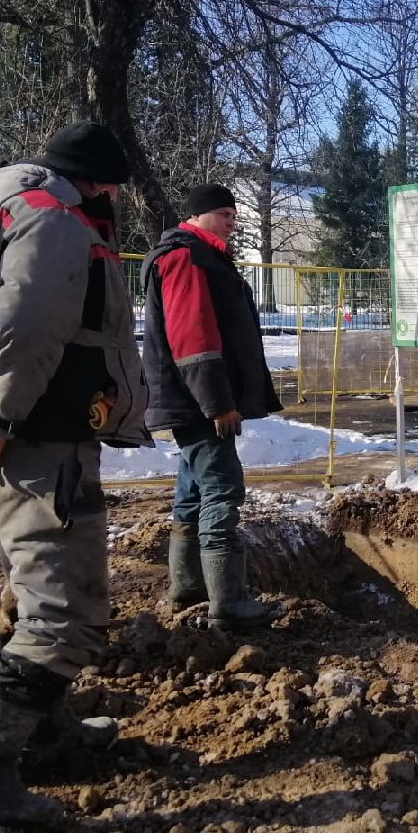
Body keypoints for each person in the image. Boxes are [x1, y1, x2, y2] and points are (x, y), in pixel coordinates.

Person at [0, 122, 150, 829]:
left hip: (22, 430)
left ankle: (43, 735)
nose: (115, 196)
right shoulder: (55, 221)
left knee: (35, 594)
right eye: (112, 184)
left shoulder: (15, 207)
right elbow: (28, 324)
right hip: (38, 437)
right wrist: (3, 417)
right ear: (96, 179)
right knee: (64, 616)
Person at [141, 183, 282, 629]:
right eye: (223, 213)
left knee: (193, 491)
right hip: (199, 403)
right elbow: (194, 339)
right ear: (198, 215)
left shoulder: (200, 255)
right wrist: (218, 404)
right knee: (221, 490)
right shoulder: (187, 257)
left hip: (191, 402)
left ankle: (187, 587)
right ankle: (230, 603)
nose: (231, 221)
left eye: (233, 214)